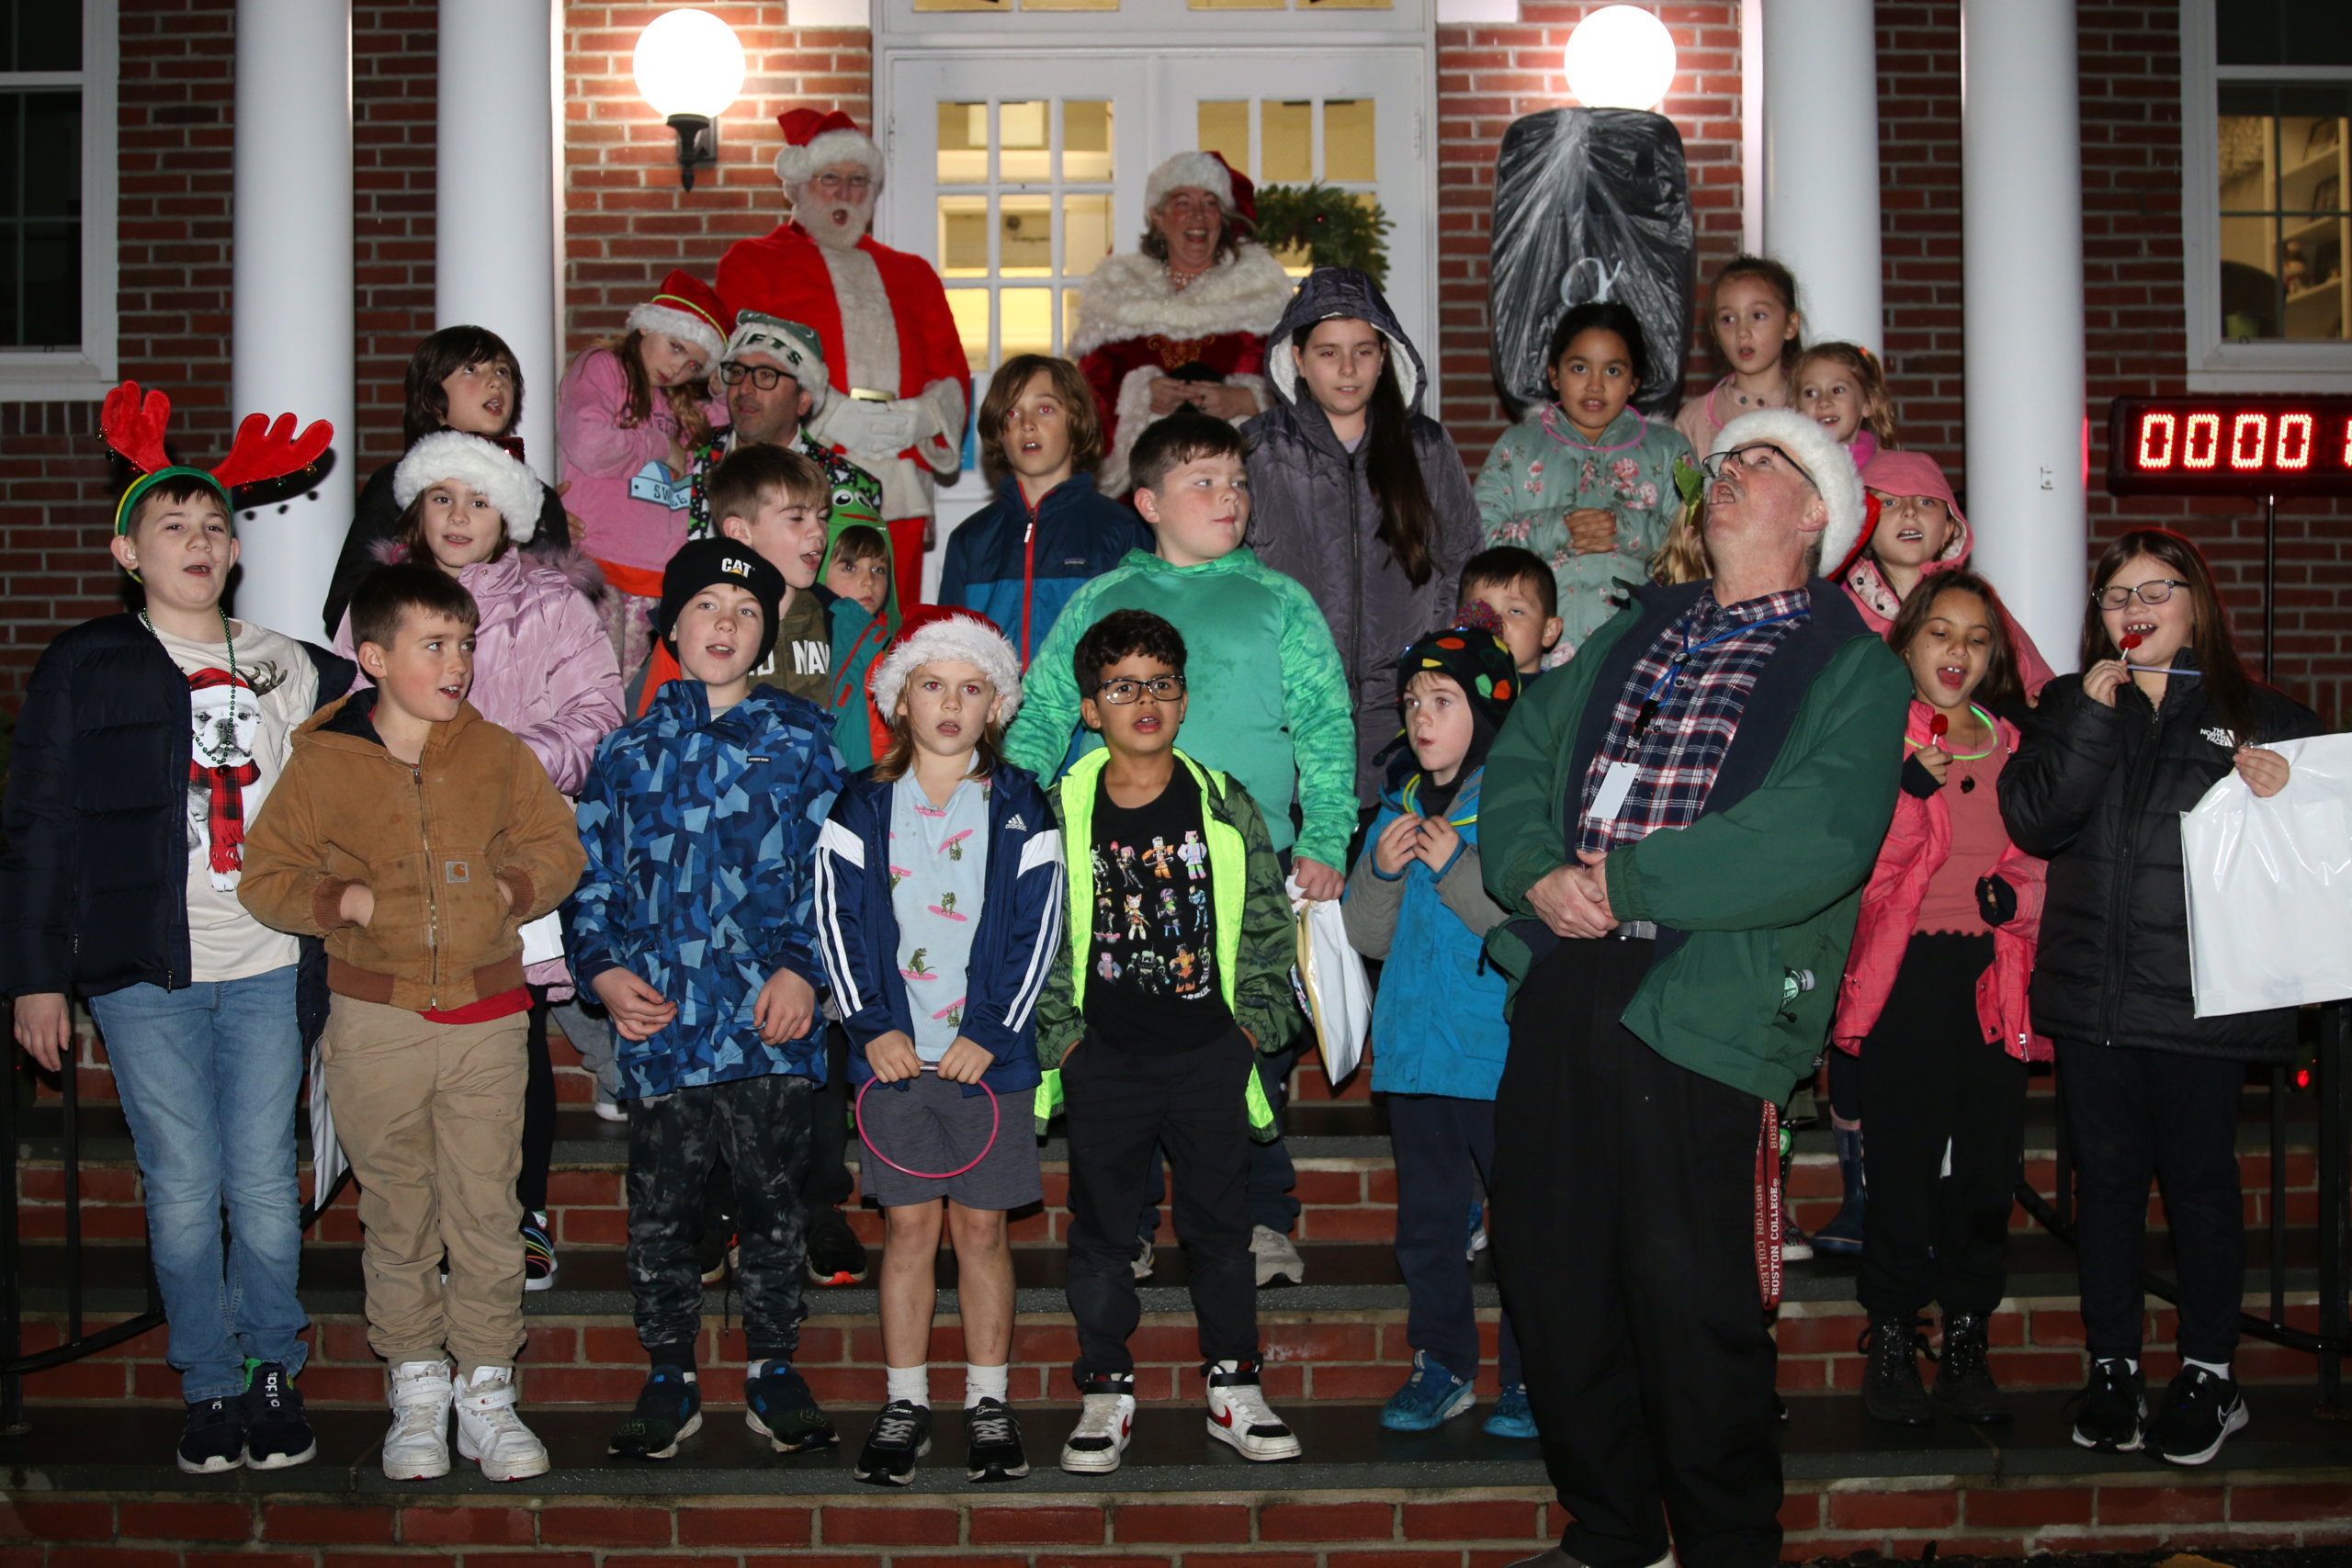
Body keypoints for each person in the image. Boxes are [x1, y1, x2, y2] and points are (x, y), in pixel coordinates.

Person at [1480, 407, 1909, 1568]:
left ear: (1819, 511)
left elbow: (1814, 836)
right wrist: (1534, 874)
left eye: (1761, 463)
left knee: (1692, 1304)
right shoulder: (1640, 627)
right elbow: (1519, 760)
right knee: (1553, 1272)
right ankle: (1611, 1533)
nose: (1727, 474)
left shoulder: (1852, 663)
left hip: (1704, 1000)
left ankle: (1725, 1545)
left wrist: (1620, 878)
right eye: (1720, 462)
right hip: (1569, 977)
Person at [1, 382, 347, 1476]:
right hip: (142, 969)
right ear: (126, 549)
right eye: (173, 526)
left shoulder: (294, 665)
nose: (198, 541)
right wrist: (33, 977)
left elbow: (392, 736)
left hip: (266, 963)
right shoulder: (85, 665)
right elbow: (40, 823)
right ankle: (207, 1379)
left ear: (235, 551)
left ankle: (272, 1368)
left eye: (214, 526)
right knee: (185, 1181)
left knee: (260, 1174)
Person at [240, 563, 587, 1485]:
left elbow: (559, 845)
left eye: (466, 644)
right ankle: (417, 1385)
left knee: (486, 1212)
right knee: (398, 1215)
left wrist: (515, 887)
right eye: (435, 645)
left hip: (485, 1018)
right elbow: (264, 873)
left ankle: (486, 1388)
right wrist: (338, 899)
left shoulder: (498, 753)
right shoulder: (324, 760)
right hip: (375, 1020)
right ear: (375, 658)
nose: (458, 663)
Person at [1003, 410, 1354, 1286]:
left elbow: (1324, 722)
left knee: (1250, 1040)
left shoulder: (1280, 600)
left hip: (1243, 870)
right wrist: (1005, 821)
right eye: (1204, 481)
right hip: (1116, 868)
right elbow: (1046, 711)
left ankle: (1259, 1217)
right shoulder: (1098, 599)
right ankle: (1121, 1221)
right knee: (1125, 1044)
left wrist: (1327, 833)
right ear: (1150, 501)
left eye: (1237, 481)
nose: (1228, 496)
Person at [2000, 527, 2323, 1468]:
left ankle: (2211, 1373)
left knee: (2198, 1191)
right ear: (2096, 616)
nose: (2135, 611)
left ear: (2195, 605)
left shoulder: (2263, 716)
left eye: (2156, 591)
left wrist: (2283, 796)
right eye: (2116, 597)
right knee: (2103, 1191)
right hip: (2094, 999)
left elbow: (2315, 859)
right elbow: (2034, 820)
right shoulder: (2062, 706)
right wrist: (2094, 721)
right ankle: (2111, 1368)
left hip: (2203, 1003)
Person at [567, 538, 849, 1462]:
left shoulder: (805, 743)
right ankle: (669, 1372)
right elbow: (592, 880)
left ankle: (772, 1365)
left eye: (745, 615)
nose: (724, 626)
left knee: (774, 1204)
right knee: (661, 1207)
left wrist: (804, 969)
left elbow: (836, 879)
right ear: (671, 625)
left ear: (765, 635)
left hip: (772, 1027)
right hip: (666, 1028)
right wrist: (603, 973)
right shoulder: (625, 752)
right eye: (706, 610)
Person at [331, 431, 624, 1292]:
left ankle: (516, 1213)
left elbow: (597, 713)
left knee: (511, 1035)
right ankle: (417, 1221)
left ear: (512, 516)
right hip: (406, 851)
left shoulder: (554, 605)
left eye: (481, 499)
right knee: (416, 1033)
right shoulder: (375, 605)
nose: (460, 517)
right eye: (442, 497)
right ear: (417, 508)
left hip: (511, 848)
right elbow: (355, 714)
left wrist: (494, 763)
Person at [1031, 608, 1306, 1475]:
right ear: (1089, 708)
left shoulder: (1224, 801)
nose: (1143, 700)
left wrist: (1252, 1033)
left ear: (1183, 700)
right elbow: (1029, 936)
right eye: (1122, 687)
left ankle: (1234, 1385)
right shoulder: (1058, 809)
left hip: (1206, 1057)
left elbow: (1268, 920)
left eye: (1160, 684)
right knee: (1106, 1232)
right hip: (1105, 1059)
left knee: (1221, 1229)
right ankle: (1106, 1389)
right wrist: (1065, 1042)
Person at [813, 609, 1061, 1486]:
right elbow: (837, 922)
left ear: (996, 703)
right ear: (898, 698)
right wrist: (870, 1024)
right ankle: (905, 1400)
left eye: (971, 687)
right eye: (931, 684)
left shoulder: (1024, 803)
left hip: (987, 1063)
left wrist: (991, 1034)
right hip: (894, 1059)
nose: (950, 703)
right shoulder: (859, 802)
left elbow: (1041, 930)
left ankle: (989, 1402)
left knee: (984, 1232)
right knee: (910, 1230)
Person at [1831, 570, 2045, 1426]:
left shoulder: (2013, 743)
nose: (1957, 652)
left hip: (1992, 979)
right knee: (1905, 1169)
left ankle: (1966, 1342)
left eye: (1976, 638)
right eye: (1940, 634)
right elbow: (1857, 874)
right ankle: (1891, 1339)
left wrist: (2019, 901)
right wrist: (1906, 794)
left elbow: (2042, 859)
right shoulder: (1875, 733)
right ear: (1908, 642)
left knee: (1988, 1175)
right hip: (1908, 977)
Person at [1341, 609, 1534, 1440]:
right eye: (1412, 701)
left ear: (1486, 713)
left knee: (1525, 1228)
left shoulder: (1518, 808)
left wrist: (1453, 862)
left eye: (1443, 700)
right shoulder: (1396, 805)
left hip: (1497, 1059)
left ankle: (1531, 1377)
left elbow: (1518, 925)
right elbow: (1367, 936)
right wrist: (1379, 872)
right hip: (1416, 1062)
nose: (1421, 716)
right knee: (1427, 1231)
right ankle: (1443, 1363)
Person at [1245, 266, 1483, 803]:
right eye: (1328, 352)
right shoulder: (1259, 451)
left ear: (1386, 357)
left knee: (1389, 872)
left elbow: (1463, 564)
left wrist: (1434, 668)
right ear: (1298, 360)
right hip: (1292, 715)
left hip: (1406, 714)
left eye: (1364, 351)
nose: (1347, 368)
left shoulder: (1425, 447)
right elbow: (1233, 576)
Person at [718, 108, 967, 606]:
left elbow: (951, 372)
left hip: (899, 479)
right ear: (799, 184)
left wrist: (921, 418)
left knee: (892, 617)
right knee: (799, 613)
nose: (845, 193)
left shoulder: (912, 274)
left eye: (859, 181)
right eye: (830, 178)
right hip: (798, 478)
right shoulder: (753, 262)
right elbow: (744, 369)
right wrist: (829, 412)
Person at [322, 325, 573, 636]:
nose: (495, 382)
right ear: (431, 398)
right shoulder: (396, 485)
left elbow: (565, 614)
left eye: (503, 372)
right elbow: (345, 607)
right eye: (471, 369)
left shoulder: (539, 497)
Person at [1069, 151, 1295, 494]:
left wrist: (1251, 400)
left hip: (1238, 485)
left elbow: (1302, 385)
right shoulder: (1118, 292)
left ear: (1223, 216)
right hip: (1142, 488)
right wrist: (1140, 396)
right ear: (1158, 217)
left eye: (1210, 203)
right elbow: (1087, 395)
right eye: (1182, 202)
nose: (1198, 216)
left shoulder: (1263, 292)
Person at [1477, 301, 1694, 657]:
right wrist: (1561, 528)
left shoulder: (1669, 449)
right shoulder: (1518, 447)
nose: (1595, 385)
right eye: (1579, 368)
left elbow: (1698, 542)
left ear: (1634, 381)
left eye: (1612, 371)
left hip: (1641, 650)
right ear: (1554, 374)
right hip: (1539, 655)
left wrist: (1624, 528)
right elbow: (1479, 540)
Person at [557, 269, 731, 673]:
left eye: (693, 364)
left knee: (635, 704)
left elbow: (723, 425)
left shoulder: (681, 407)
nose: (678, 368)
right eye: (674, 346)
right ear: (647, 328)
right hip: (597, 562)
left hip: (657, 578)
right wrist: (658, 445)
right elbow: (588, 443)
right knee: (590, 691)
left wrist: (727, 386)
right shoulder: (604, 366)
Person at [938, 352, 1152, 670]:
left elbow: (1142, 653)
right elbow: (948, 653)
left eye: (1045, 409)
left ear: (1076, 421)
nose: (1027, 424)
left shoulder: (1122, 530)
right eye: (1012, 413)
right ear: (999, 432)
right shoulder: (970, 539)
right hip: (993, 717)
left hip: (1086, 717)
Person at [1841, 450, 2057, 692]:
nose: (1910, 511)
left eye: (1926, 502)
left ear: (1948, 528)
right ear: (1863, 525)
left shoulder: (1973, 604)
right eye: (1889, 502)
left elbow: (2039, 688)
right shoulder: (1844, 615)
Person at [1675, 255, 1804, 457]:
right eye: (1728, 319)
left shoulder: (1811, 408)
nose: (1742, 331)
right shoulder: (1695, 420)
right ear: (1715, 332)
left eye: (1758, 316)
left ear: (1791, 324)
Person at [1457, 546, 1565, 677]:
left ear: (1548, 632)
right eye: (1480, 611)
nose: (1496, 623)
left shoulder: (1560, 691)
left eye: (1515, 611)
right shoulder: (1443, 684)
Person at [1792, 342, 1899, 471]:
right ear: (1797, 408)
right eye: (1811, 393)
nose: (1824, 402)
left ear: (1868, 404)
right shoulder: (1791, 468)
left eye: (1837, 390)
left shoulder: (1883, 471)